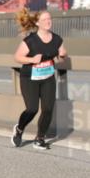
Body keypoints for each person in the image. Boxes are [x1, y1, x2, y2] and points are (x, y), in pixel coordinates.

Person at [12, 8, 67, 149]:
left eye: (49, 19)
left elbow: (60, 59)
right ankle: (19, 129)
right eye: (44, 19)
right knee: (32, 109)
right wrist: (32, 59)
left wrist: (62, 56)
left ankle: (40, 138)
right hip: (30, 78)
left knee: (48, 109)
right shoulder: (30, 41)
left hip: (47, 77)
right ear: (37, 23)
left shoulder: (57, 39)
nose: (48, 21)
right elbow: (17, 57)